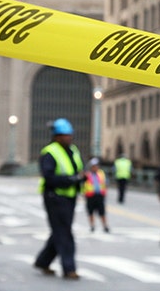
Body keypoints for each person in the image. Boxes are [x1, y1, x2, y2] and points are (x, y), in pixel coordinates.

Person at [33, 118, 85, 279]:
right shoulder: (50, 152)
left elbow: (78, 170)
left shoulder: (73, 150)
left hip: (70, 197)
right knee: (64, 232)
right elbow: (48, 177)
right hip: (54, 197)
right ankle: (69, 269)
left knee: (60, 231)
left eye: (70, 135)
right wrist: (70, 179)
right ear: (57, 136)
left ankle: (43, 261)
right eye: (65, 135)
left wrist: (81, 178)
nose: (69, 138)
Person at [83, 157, 111, 233]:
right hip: (90, 196)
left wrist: (104, 192)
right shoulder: (87, 174)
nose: (95, 167)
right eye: (94, 166)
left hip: (99, 195)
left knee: (102, 212)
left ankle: (105, 226)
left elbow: (105, 183)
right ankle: (92, 226)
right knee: (90, 212)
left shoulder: (101, 173)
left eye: (96, 166)